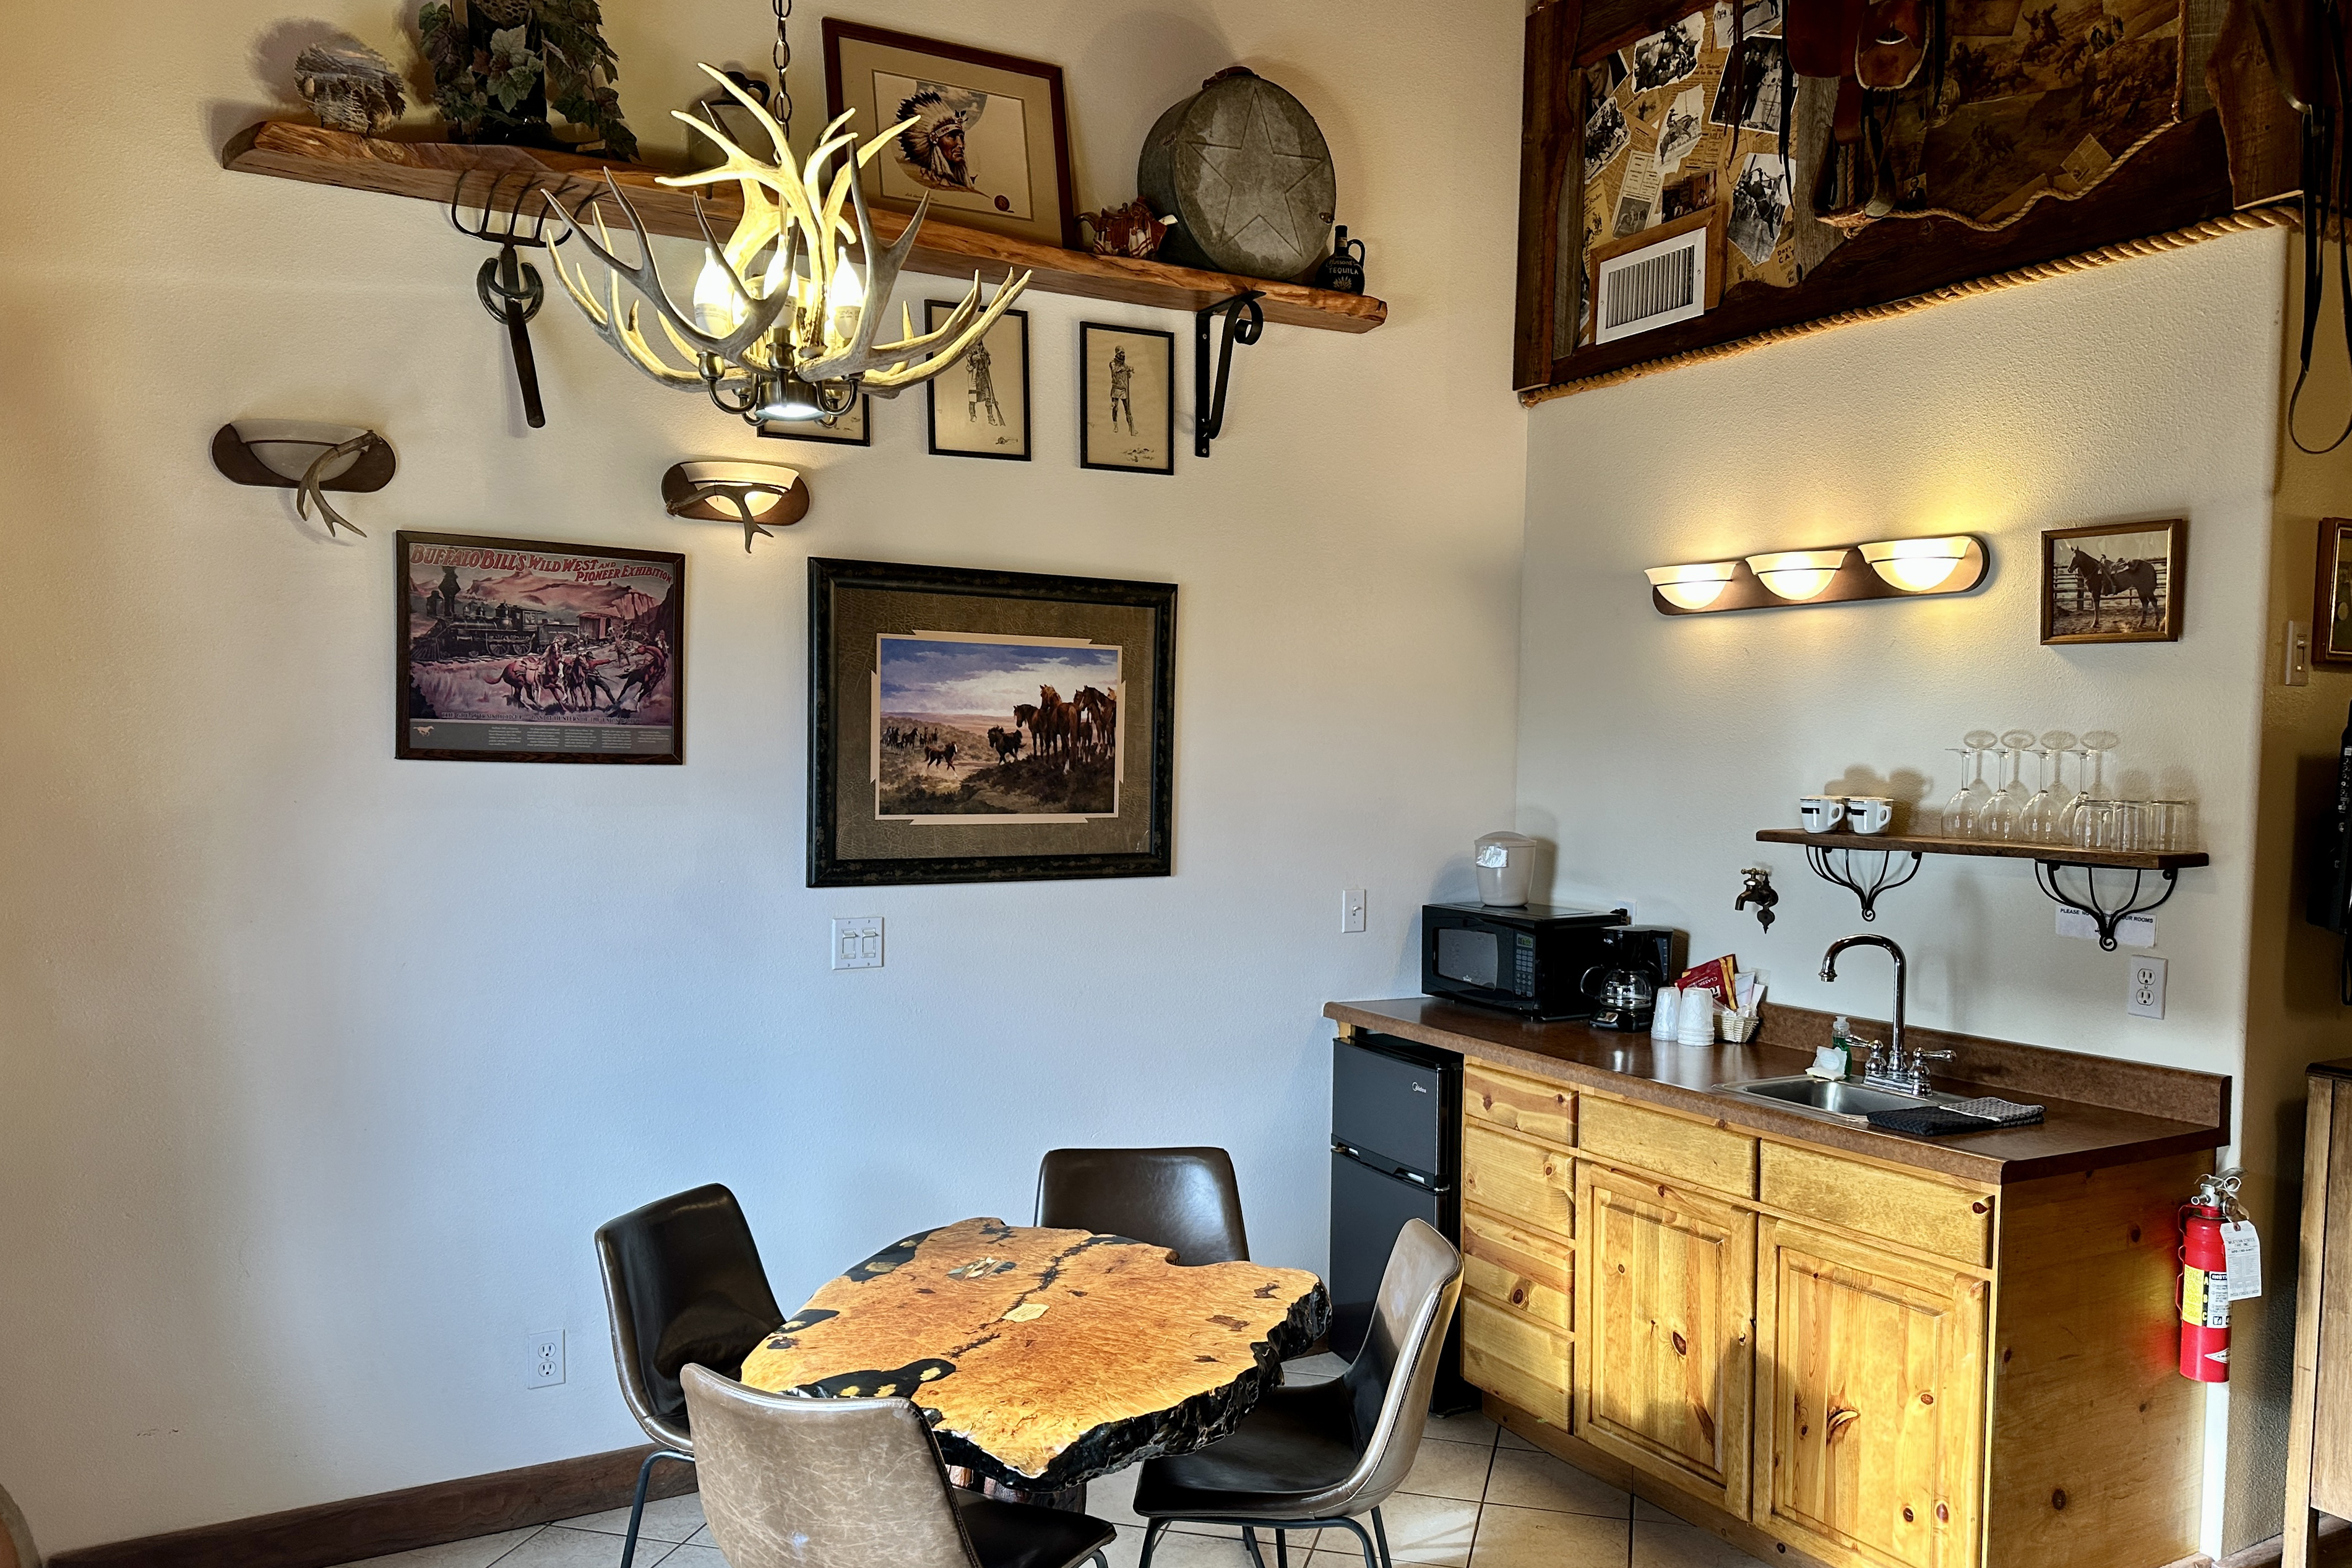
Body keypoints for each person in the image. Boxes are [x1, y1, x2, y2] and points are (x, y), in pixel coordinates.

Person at [1107, 345, 1135, 435]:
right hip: (1116, 389)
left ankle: (1132, 429)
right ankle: (1115, 426)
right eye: (1121, 353)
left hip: (1124, 390)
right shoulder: (1113, 363)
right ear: (1117, 354)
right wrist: (1126, 368)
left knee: (1128, 409)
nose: (1123, 355)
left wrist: (1129, 373)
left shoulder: (1124, 364)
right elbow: (1115, 370)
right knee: (1115, 408)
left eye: (1124, 353)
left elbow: (1127, 375)